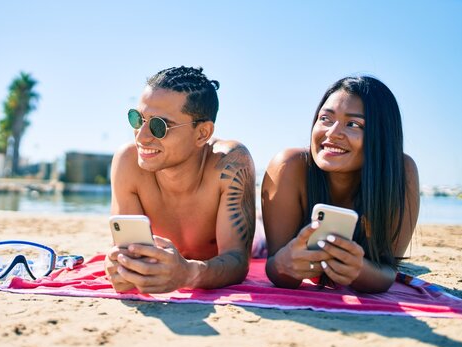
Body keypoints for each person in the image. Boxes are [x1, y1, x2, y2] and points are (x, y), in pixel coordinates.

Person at [262, 75, 420, 293]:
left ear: (381, 136)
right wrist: (284, 264)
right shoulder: (289, 166)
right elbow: (276, 270)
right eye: (325, 118)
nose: (332, 133)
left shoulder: (400, 172)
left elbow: (387, 272)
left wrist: (359, 271)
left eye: (353, 124)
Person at [105, 66, 256, 294]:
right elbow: (128, 249)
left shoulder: (230, 163)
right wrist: (122, 267)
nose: (142, 136)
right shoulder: (129, 161)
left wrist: (187, 274)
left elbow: (237, 261)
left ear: (202, 133)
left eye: (159, 126)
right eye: (138, 119)